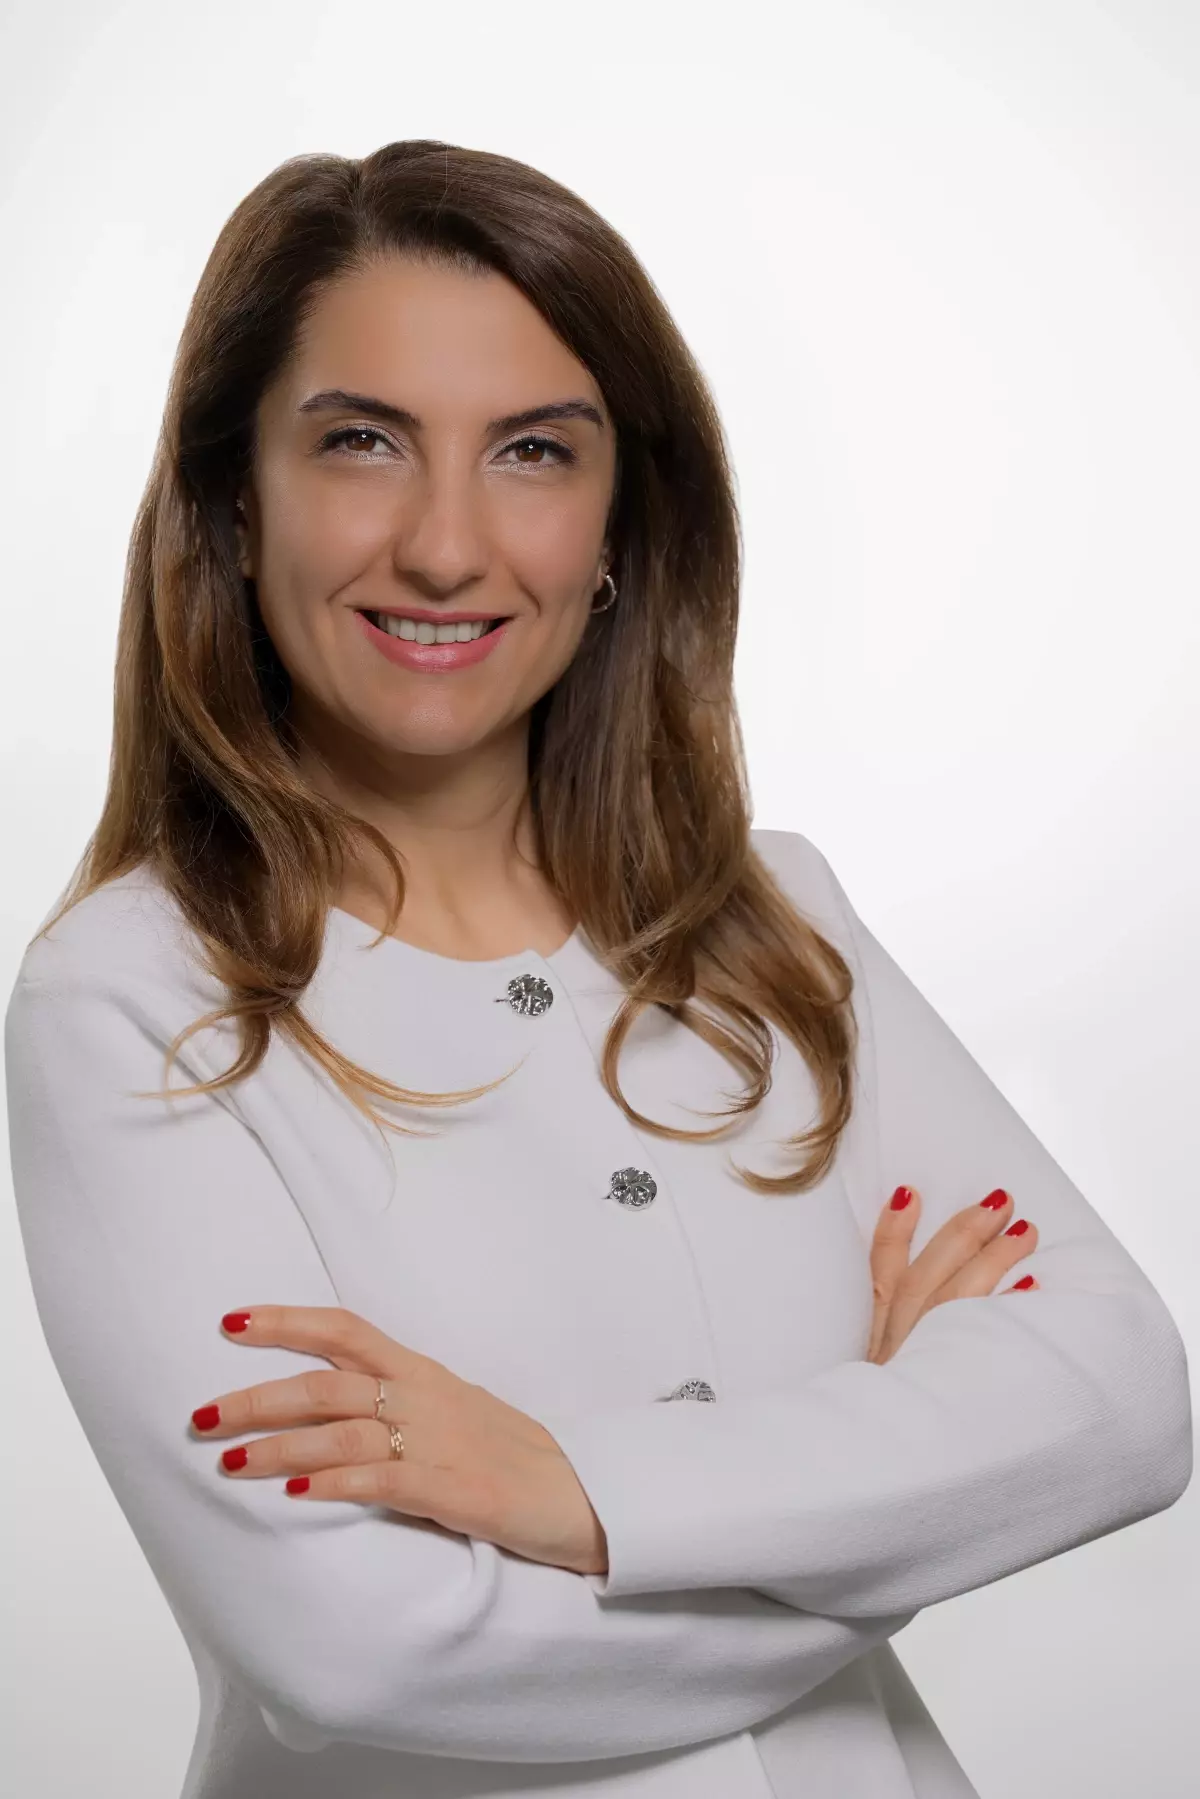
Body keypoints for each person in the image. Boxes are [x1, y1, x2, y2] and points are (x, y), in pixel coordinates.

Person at [5, 138, 1191, 1799]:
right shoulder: (136, 1005)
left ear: (620, 520)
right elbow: (361, 1648)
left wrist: (569, 1486)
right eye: (362, 441)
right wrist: (905, 1501)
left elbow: (1125, 1402)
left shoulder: (778, 921)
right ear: (234, 501)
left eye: (534, 451)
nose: (445, 545)